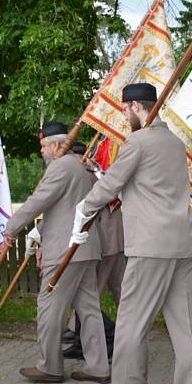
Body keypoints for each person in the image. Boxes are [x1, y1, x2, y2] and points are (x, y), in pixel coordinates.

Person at [75, 83, 192, 384]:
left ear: (135, 106)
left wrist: (84, 208)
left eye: (124, 109)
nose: (123, 115)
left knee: (132, 324)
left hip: (150, 246)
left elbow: (110, 185)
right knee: (188, 330)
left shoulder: (137, 141)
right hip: (186, 243)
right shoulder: (175, 144)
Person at [5, 122, 110, 384]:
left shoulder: (61, 166)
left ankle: (50, 366)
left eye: (43, 145)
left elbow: (39, 201)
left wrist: (12, 227)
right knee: (88, 310)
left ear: (55, 145)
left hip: (66, 250)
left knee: (49, 306)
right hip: (85, 247)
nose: (41, 150)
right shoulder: (82, 166)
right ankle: (98, 367)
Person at [64, 142, 125, 361]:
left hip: (107, 240)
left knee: (93, 292)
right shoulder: (94, 173)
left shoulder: (96, 174)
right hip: (107, 240)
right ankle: (87, 335)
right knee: (113, 290)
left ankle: (102, 337)